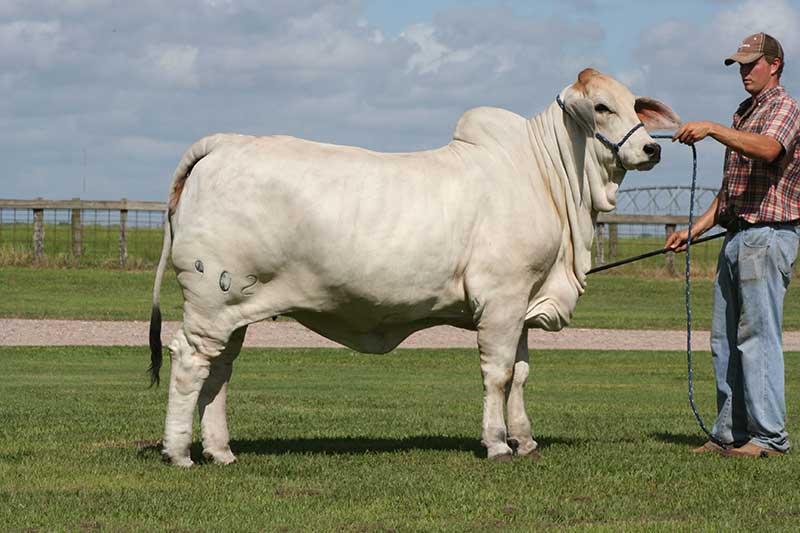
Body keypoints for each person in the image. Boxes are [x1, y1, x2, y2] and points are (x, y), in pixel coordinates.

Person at [666, 32, 800, 457]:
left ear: (774, 64)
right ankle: (730, 433)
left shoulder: (785, 108)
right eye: (740, 65)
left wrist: (713, 129)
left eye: (751, 64)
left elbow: (769, 149)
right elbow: (729, 193)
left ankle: (769, 438)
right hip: (736, 235)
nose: (744, 71)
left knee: (758, 337)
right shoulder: (744, 112)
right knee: (724, 340)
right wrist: (696, 229)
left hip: (769, 235)